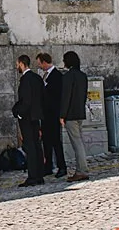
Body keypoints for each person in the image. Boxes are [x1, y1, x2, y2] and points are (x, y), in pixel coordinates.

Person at [13, 55, 46, 187]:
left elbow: (26, 101)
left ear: (21, 64)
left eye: (17, 64)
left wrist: (19, 113)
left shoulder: (25, 80)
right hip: (36, 116)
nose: (17, 67)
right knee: (37, 145)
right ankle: (39, 175)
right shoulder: (37, 78)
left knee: (30, 146)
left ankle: (33, 176)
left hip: (27, 117)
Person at [61, 50, 90, 182]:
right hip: (79, 112)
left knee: (77, 143)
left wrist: (62, 115)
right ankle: (82, 169)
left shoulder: (68, 76)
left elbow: (65, 97)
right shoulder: (83, 76)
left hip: (71, 114)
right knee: (79, 141)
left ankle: (81, 170)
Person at [37, 52, 67, 178]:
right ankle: (48, 166)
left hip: (53, 114)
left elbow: (56, 96)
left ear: (45, 62)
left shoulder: (56, 76)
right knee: (46, 141)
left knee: (56, 141)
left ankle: (62, 166)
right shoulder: (45, 76)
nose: (39, 66)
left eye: (40, 63)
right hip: (45, 114)